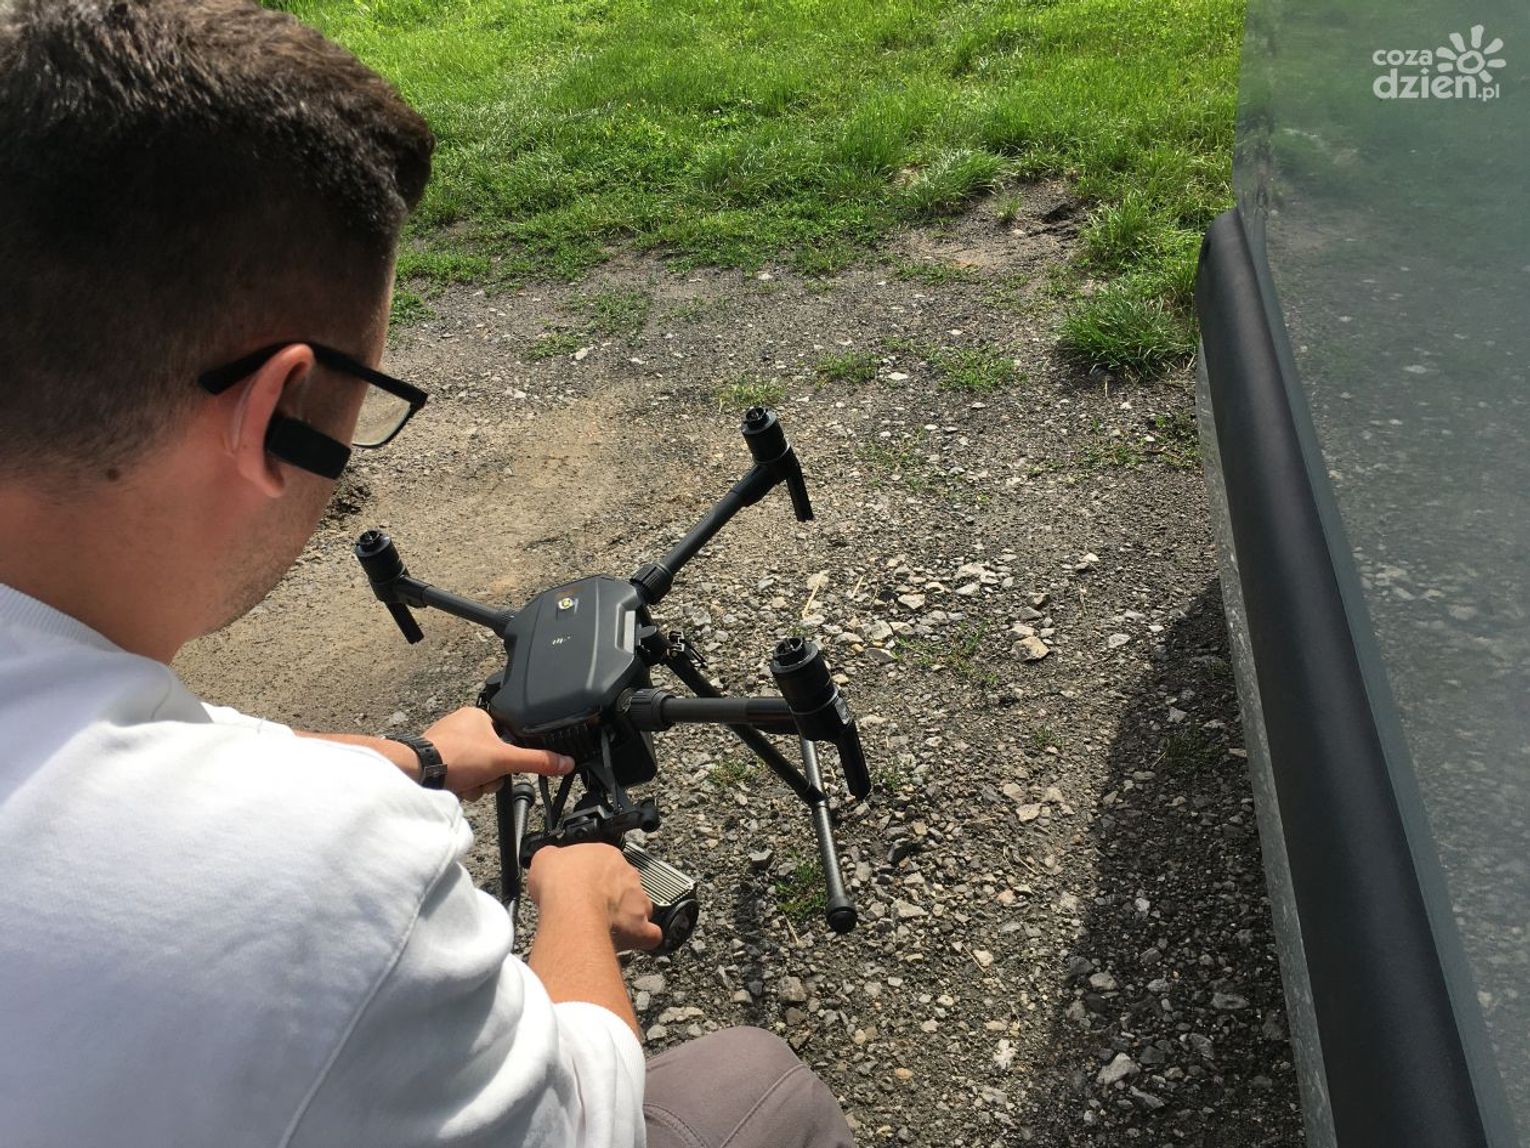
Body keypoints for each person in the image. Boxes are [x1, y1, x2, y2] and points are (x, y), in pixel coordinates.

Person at [0, 2, 856, 1145]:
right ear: (275, 410)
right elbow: (581, 1117)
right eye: (368, 398)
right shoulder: (321, 873)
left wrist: (416, 758)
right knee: (760, 1077)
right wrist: (577, 907)